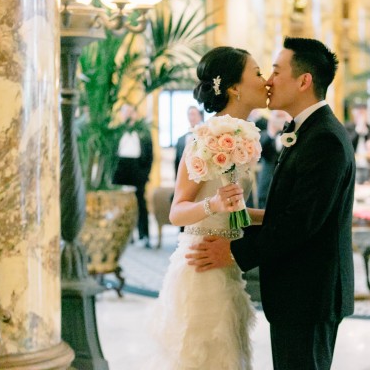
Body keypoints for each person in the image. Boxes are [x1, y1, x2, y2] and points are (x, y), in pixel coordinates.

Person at [187, 37, 356, 370]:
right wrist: (246, 216)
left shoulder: (324, 139)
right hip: (299, 291)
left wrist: (233, 251)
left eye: (276, 71)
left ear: (304, 81)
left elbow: (301, 223)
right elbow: (296, 209)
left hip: (310, 293)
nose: (269, 81)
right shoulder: (306, 130)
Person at [146, 46, 268, 369]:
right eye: (257, 73)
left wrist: (271, 217)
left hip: (227, 263)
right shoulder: (202, 140)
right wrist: (212, 203)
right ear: (234, 88)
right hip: (200, 264)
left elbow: (235, 212)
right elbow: (177, 211)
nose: (265, 80)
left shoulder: (247, 137)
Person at [112, 103, 153, 247]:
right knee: (120, 205)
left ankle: (144, 235)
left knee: (140, 204)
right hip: (120, 171)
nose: (128, 114)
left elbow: (149, 155)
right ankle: (123, 236)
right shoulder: (116, 132)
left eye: (131, 111)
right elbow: (111, 154)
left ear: (135, 114)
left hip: (138, 170)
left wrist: (144, 174)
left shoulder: (144, 132)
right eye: (125, 112)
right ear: (122, 114)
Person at [257, 109, 290, 208]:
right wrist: (271, 132)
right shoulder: (263, 136)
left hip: (287, 190)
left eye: (282, 116)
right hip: (266, 189)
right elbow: (260, 153)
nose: (279, 120)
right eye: (277, 117)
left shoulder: (294, 136)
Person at [345, 102, 370, 184]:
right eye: (359, 112)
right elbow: (349, 144)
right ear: (353, 113)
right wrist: (358, 130)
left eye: (363, 112)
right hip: (353, 163)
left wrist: (365, 130)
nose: (361, 115)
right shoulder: (348, 127)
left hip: (367, 164)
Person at [174, 105, 204, 178]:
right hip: (184, 177)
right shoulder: (180, 139)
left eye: (194, 114)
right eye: (190, 114)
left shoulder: (204, 137)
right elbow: (176, 162)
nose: (192, 117)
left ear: (200, 117)